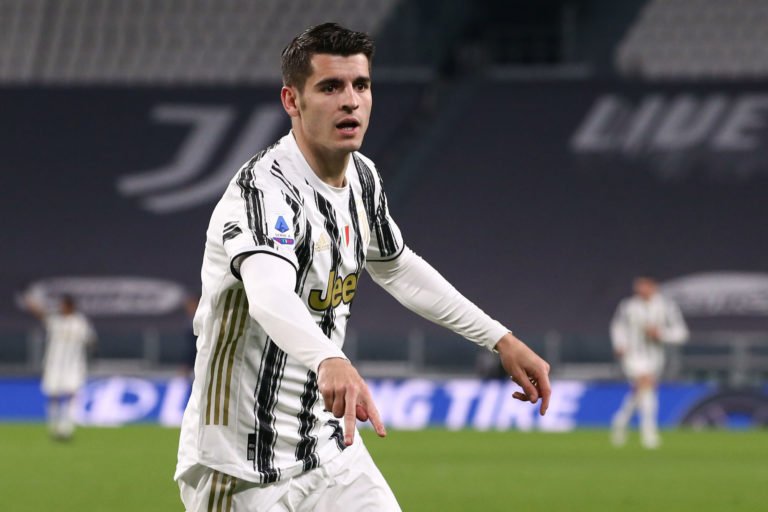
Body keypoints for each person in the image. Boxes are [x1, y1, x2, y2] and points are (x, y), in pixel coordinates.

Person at [175, 22, 551, 511]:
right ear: (292, 100)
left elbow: (396, 268)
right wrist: (329, 359)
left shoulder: (363, 179)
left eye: (361, 85)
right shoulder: (263, 193)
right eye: (330, 87)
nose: (351, 101)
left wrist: (499, 338)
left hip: (329, 449)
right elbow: (269, 295)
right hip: (241, 467)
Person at [610, 276, 688, 449]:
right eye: (638, 285)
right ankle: (649, 433)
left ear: (653, 286)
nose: (640, 288)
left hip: (655, 358)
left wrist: (661, 334)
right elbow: (617, 327)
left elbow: (681, 333)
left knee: (641, 392)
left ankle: (620, 421)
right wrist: (619, 344)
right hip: (633, 356)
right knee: (646, 387)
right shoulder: (628, 306)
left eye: (645, 285)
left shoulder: (666, 306)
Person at [24, 293, 96, 440]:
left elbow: (91, 340)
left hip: (73, 366)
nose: (61, 308)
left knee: (71, 395)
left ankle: (66, 427)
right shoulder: (56, 321)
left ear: (71, 306)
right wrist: (31, 303)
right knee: (53, 395)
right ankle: (53, 426)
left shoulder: (80, 322)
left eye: (64, 305)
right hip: (54, 365)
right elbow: (42, 315)